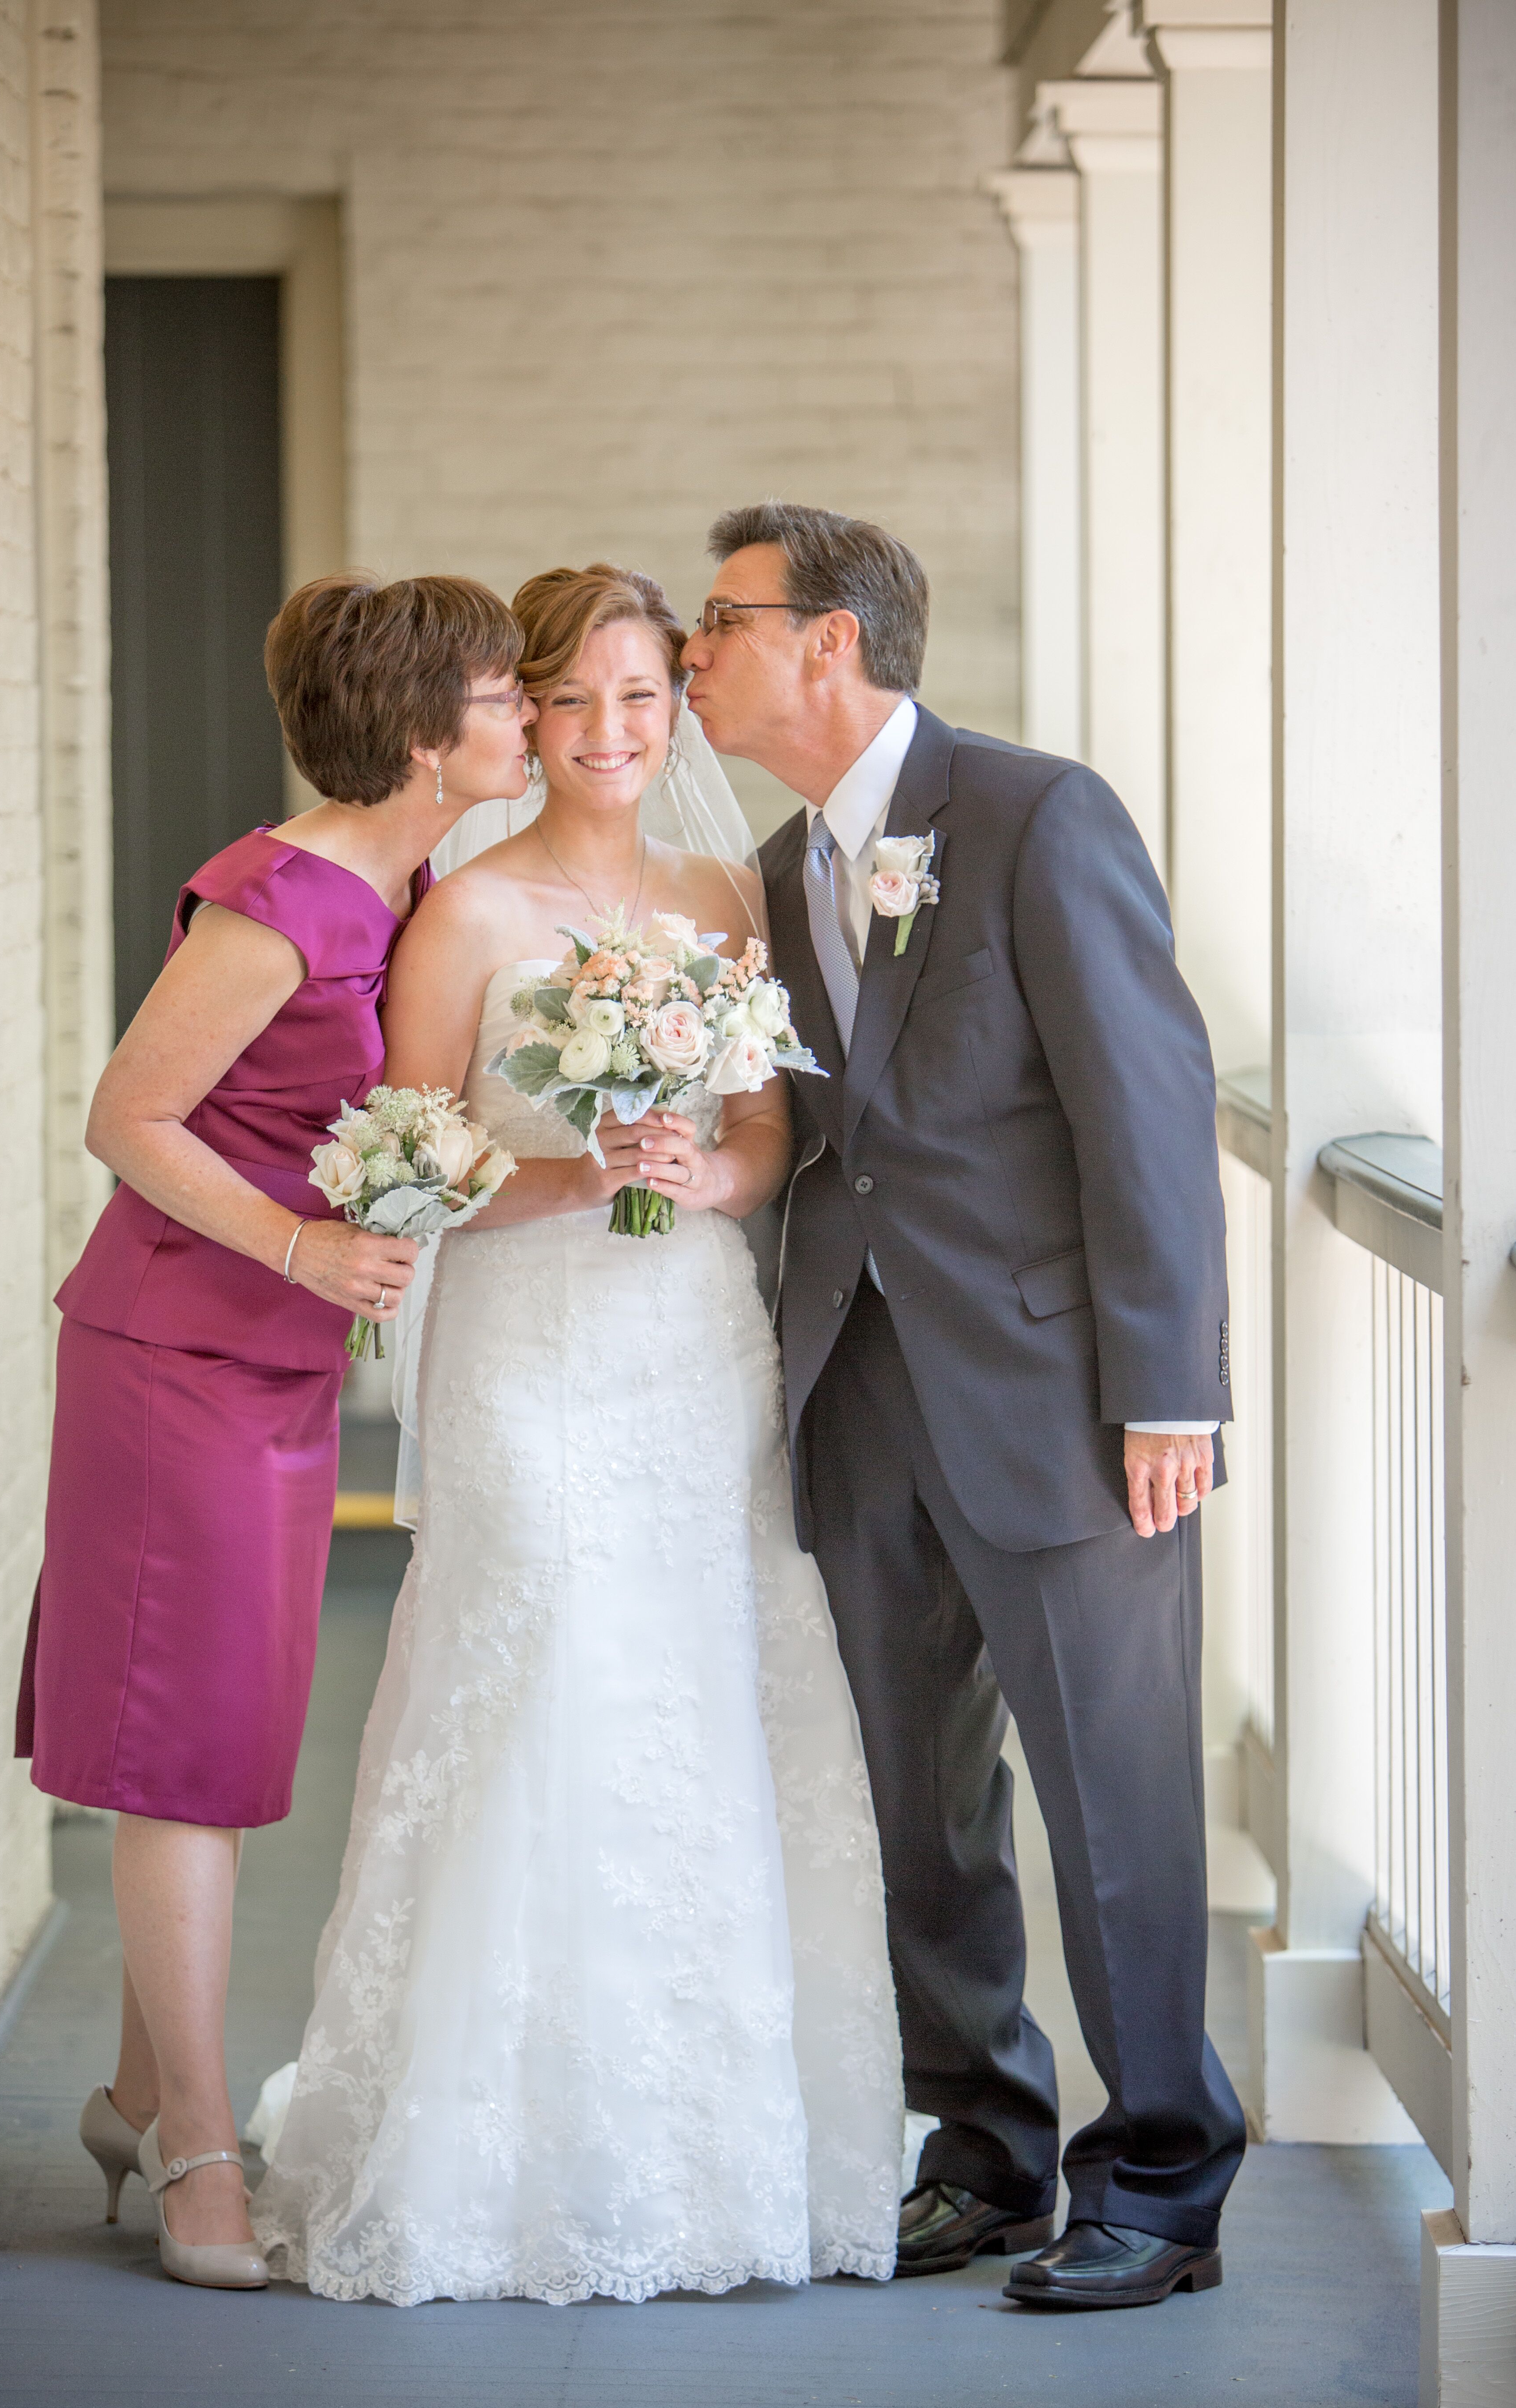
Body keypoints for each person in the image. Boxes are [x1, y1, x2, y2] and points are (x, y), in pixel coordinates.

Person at [249, 563, 903, 2306]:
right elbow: (404, 1161)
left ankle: (699, 2141)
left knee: (694, 1693)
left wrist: (703, 1167)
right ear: (520, 714)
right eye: (574, 701)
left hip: (689, 1343)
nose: (613, 732)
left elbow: (766, 1133)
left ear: (673, 709)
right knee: (544, 1665)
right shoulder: (462, 911)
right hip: (527, 1360)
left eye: (641, 697)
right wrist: (571, 1169)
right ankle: (486, 2148)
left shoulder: (725, 890)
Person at [683, 501, 1245, 2311]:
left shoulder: (1034, 815)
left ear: (829, 640)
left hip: (1063, 1404)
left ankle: (1160, 2170)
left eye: (722, 622)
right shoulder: (776, 870)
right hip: (857, 1398)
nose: (699, 657)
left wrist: (1169, 1388)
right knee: (914, 1801)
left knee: (1114, 1788)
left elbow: (1146, 1109)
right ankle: (987, 2145)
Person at [17, 571, 533, 2289]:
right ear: (414, 733)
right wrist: (308, 1245)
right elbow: (130, 1115)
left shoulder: (415, 884)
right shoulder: (279, 898)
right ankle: (197, 2155)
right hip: (175, 1354)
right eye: (499, 691)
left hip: (279, 1371)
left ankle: (128, 2090)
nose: (525, 712)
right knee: (188, 1756)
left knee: (228, 1741)